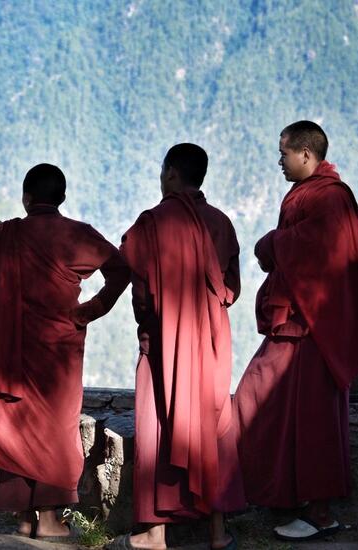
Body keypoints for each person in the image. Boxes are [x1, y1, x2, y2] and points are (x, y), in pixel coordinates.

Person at [0, 163, 130, 542]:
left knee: (15, 426)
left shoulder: (7, 236)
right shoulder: (78, 235)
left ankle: (26, 517)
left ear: (26, 198)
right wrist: (92, 309)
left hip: (9, 351)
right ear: (61, 198)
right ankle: (47, 519)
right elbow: (122, 269)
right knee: (55, 430)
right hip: (59, 349)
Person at [233, 121, 358, 542]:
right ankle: (284, 499)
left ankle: (319, 514)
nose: (279, 161)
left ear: (306, 155)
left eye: (283, 153)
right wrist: (277, 244)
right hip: (295, 324)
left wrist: (271, 244)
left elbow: (319, 250)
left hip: (315, 327)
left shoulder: (331, 197)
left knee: (304, 417)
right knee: (265, 407)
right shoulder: (310, 194)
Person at [112, 144, 244, 550]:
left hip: (164, 342)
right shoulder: (220, 223)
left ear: (170, 173)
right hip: (211, 345)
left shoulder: (154, 221)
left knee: (160, 428)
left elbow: (135, 280)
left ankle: (154, 534)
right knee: (214, 426)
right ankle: (218, 533)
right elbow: (232, 288)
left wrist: (151, 321)